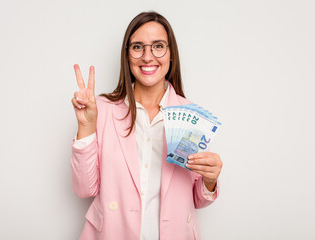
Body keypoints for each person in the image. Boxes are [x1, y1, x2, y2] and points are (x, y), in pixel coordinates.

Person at [70, 11, 223, 240]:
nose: (147, 57)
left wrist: (210, 181)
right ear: (127, 55)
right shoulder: (101, 109)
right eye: (138, 47)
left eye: (158, 46)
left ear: (171, 55)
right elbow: (84, 189)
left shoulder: (191, 116)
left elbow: (197, 199)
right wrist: (86, 126)